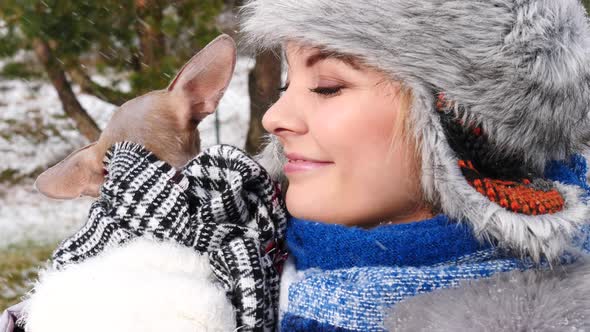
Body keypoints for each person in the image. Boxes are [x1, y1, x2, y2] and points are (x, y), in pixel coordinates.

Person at [4, 0, 590, 331]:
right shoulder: (240, 260)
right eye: (288, 81)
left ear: (465, 121)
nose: (274, 117)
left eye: (329, 85)